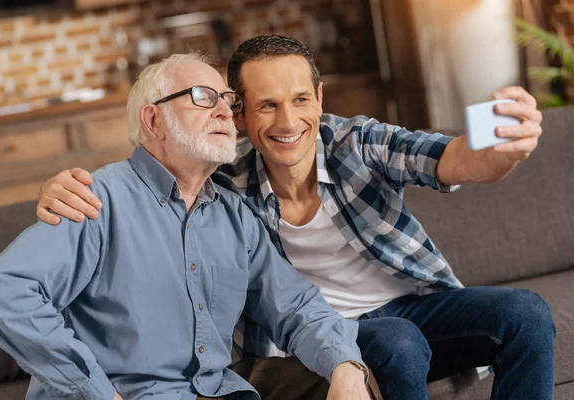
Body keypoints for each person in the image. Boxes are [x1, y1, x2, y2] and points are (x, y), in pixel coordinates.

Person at [36, 35, 556, 400]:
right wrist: (65, 189)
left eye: (301, 100)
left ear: (320, 99)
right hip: (317, 339)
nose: (289, 122)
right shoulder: (220, 184)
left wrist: (504, 150)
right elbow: (147, 182)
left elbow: (455, 159)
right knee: (396, 342)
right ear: (237, 113)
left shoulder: (358, 142)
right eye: (266, 106)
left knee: (527, 313)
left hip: (413, 309)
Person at [0, 52, 373, 400]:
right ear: (154, 119)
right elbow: (4, 292)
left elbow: (296, 307)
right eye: (203, 98)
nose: (224, 112)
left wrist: (345, 367)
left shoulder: (233, 216)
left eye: (227, 100)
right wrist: (96, 392)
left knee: (354, 375)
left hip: (213, 391)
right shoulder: (95, 199)